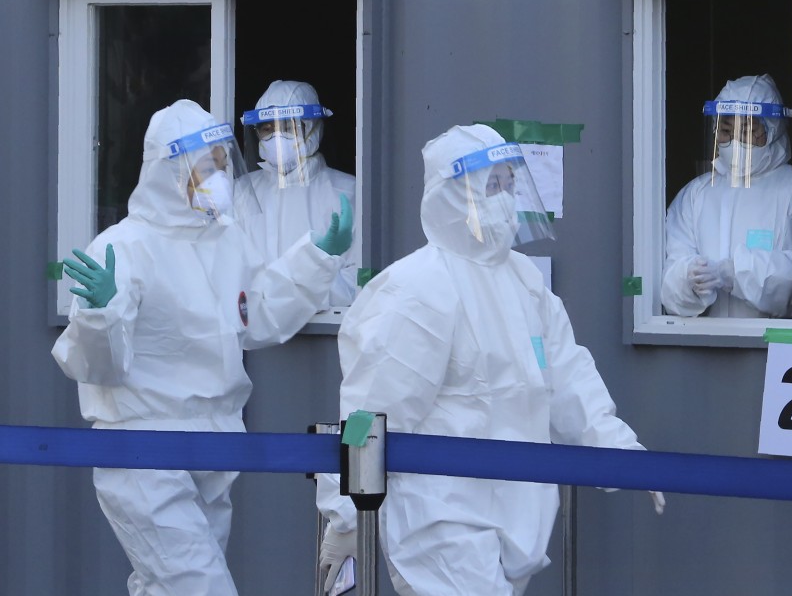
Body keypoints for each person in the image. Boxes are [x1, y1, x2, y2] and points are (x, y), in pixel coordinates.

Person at [316, 123, 665, 595]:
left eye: (509, 184)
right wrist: (343, 516)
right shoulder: (418, 289)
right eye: (491, 186)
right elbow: (370, 410)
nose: (504, 198)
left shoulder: (524, 281)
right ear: (453, 197)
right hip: (439, 519)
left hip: (517, 517)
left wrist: (620, 452)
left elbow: (567, 378)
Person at [51, 99, 353, 596]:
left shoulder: (226, 239)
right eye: (206, 165)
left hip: (216, 443)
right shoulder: (125, 247)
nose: (218, 175)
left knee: (164, 587)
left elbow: (257, 312)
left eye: (220, 162)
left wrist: (317, 257)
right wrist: (101, 315)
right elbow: (95, 365)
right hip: (145, 449)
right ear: (169, 172)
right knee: (201, 588)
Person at [660, 74, 792, 318]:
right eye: (726, 130)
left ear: (773, 130)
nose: (734, 142)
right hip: (704, 346)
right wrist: (688, 280)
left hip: (777, 346)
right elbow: (667, 281)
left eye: (748, 130)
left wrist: (739, 272)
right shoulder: (696, 195)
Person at [237, 80, 359, 307]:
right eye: (267, 129)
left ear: (314, 129)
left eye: (288, 127)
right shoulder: (241, 194)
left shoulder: (347, 193)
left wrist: (292, 294)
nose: (276, 137)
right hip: (252, 336)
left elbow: (362, 282)